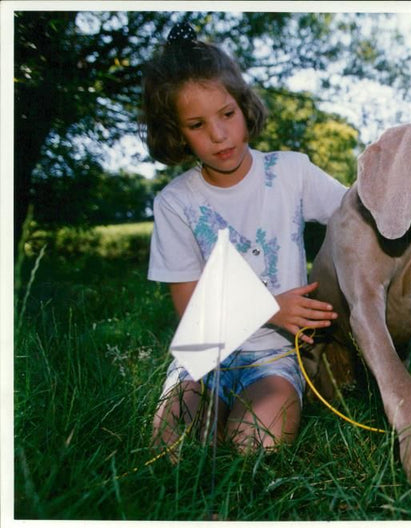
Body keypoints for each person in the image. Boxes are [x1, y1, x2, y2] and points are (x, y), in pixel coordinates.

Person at [140, 22, 347, 455]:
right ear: (177, 133)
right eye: (197, 124)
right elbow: (189, 311)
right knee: (170, 448)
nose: (219, 135)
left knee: (255, 446)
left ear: (244, 106)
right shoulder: (175, 202)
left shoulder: (292, 172)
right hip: (199, 356)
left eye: (227, 114)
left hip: (271, 358)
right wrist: (273, 306)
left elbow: (357, 218)